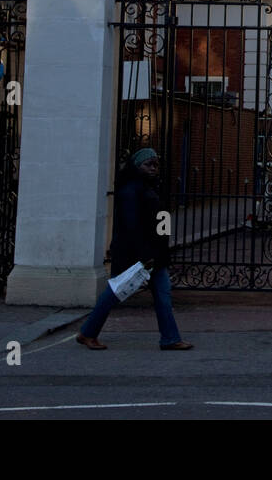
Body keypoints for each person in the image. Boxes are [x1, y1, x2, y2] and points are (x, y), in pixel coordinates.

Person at [76, 148, 193, 351]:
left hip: (155, 254)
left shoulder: (152, 188)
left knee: (163, 295)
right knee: (114, 292)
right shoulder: (130, 191)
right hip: (134, 254)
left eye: (156, 165)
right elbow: (131, 227)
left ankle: (170, 338)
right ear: (136, 166)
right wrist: (145, 255)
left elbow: (163, 217)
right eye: (148, 164)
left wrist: (164, 243)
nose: (153, 168)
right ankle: (88, 333)